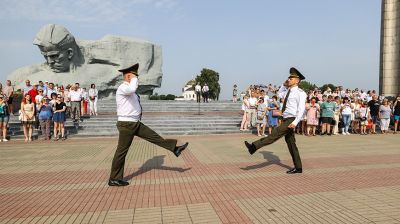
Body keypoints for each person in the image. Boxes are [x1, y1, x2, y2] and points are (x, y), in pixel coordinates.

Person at [109, 63, 189, 187]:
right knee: (121, 152)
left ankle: (175, 149)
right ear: (129, 76)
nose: (137, 79)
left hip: (134, 123)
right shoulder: (123, 88)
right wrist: (133, 78)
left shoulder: (129, 90)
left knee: (154, 136)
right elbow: (132, 89)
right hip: (126, 124)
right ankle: (114, 178)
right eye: (135, 77)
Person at [244, 67, 307, 174]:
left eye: (291, 78)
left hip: (291, 119)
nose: (289, 79)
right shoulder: (287, 91)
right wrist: (283, 84)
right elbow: (279, 94)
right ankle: (298, 167)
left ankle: (253, 147)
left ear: (297, 81)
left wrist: (295, 122)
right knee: (291, 144)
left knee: (274, 134)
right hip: (285, 118)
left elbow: (301, 109)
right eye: (289, 78)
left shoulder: (301, 93)